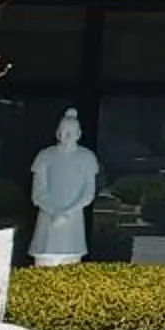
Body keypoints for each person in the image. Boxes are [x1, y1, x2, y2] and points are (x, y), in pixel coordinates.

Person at [29, 108, 101, 265]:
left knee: (70, 266)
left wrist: (66, 213)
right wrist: (54, 212)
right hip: (48, 220)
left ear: (78, 134)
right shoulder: (45, 155)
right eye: (63, 131)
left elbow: (88, 194)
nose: (66, 135)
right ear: (57, 132)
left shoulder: (87, 157)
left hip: (73, 223)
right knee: (44, 263)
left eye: (70, 131)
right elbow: (38, 193)